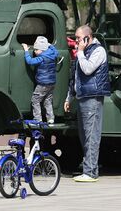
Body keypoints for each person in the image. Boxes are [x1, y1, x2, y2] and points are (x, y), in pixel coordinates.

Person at [64, 25, 110, 182]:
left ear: (87, 37)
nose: (76, 41)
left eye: (78, 38)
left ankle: (90, 172)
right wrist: (69, 98)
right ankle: (90, 169)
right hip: (82, 97)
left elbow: (88, 69)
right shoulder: (81, 53)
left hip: (93, 97)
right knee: (84, 136)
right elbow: (75, 77)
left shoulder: (98, 51)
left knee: (91, 135)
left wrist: (81, 52)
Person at [22, 36, 58, 124]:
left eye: (36, 49)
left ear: (42, 50)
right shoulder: (52, 55)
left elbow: (30, 61)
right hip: (52, 83)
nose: (34, 51)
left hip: (43, 83)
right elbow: (55, 50)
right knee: (48, 100)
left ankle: (37, 119)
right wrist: (49, 45)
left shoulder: (42, 58)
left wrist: (26, 50)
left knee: (35, 100)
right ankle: (50, 118)